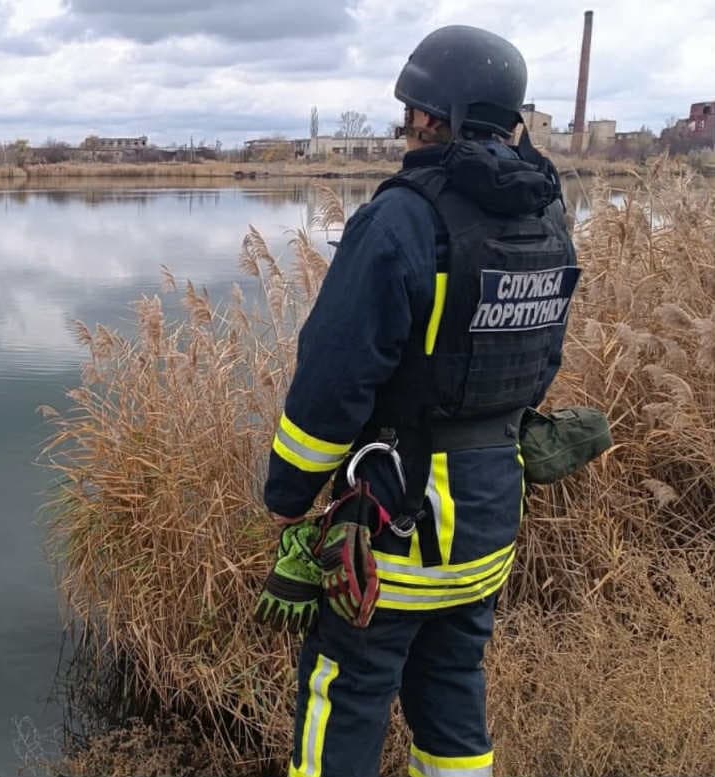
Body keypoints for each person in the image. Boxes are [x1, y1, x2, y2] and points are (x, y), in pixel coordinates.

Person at [254, 25, 579, 777]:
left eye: (413, 113)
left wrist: (288, 493)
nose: (408, 128)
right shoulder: (547, 217)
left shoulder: (404, 217)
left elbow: (333, 376)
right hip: (491, 523)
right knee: (452, 690)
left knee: (345, 694)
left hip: (397, 531)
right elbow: (539, 366)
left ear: (435, 116)